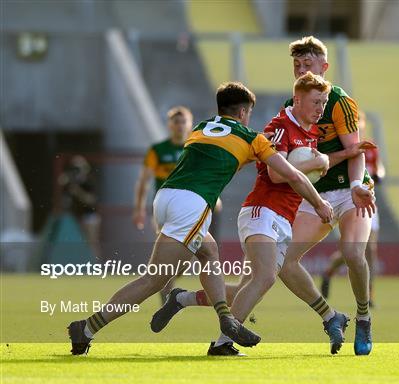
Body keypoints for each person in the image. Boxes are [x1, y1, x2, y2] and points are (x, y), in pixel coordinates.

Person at [67, 81, 333, 355]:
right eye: (249, 113)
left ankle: (226, 321)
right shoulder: (252, 138)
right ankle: (86, 328)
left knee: (209, 251)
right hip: (191, 204)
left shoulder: (200, 129)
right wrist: (319, 201)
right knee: (154, 280)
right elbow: (290, 175)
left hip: (166, 198)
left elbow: (221, 159)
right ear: (243, 113)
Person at [151, 73, 366, 355]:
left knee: (248, 285)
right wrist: (318, 191)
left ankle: (183, 299)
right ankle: (222, 343)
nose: (320, 109)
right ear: (298, 100)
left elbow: (311, 164)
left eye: (324, 103)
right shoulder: (280, 127)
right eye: (316, 102)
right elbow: (278, 174)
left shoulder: (311, 132)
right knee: (265, 277)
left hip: (283, 218)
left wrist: (334, 157)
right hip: (262, 211)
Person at [276, 36, 376, 356]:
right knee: (283, 261)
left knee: (351, 251)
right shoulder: (289, 107)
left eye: (308, 64)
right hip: (316, 194)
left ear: (324, 67)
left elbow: (355, 151)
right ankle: (331, 316)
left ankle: (363, 316)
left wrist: (358, 184)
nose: (301, 70)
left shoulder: (340, 101)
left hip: (350, 189)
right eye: (297, 65)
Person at [132, 106, 222, 304]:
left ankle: (166, 285)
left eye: (183, 122)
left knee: (184, 258)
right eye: (175, 122)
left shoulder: (195, 148)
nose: (179, 126)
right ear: (169, 125)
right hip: (167, 210)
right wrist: (139, 209)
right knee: (178, 254)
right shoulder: (158, 150)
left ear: (190, 125)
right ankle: (163, 287)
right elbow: (144, 180)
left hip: (191, 209)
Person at [320, 112, 386, 306]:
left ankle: (369, 293)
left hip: (368, 198)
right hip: (347, 200)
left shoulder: (371, 147)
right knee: (354, 249)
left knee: (370, 250)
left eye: (359, 123)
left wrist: (378, 174)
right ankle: (329, 272)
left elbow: (379, 168)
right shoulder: (341, 147)